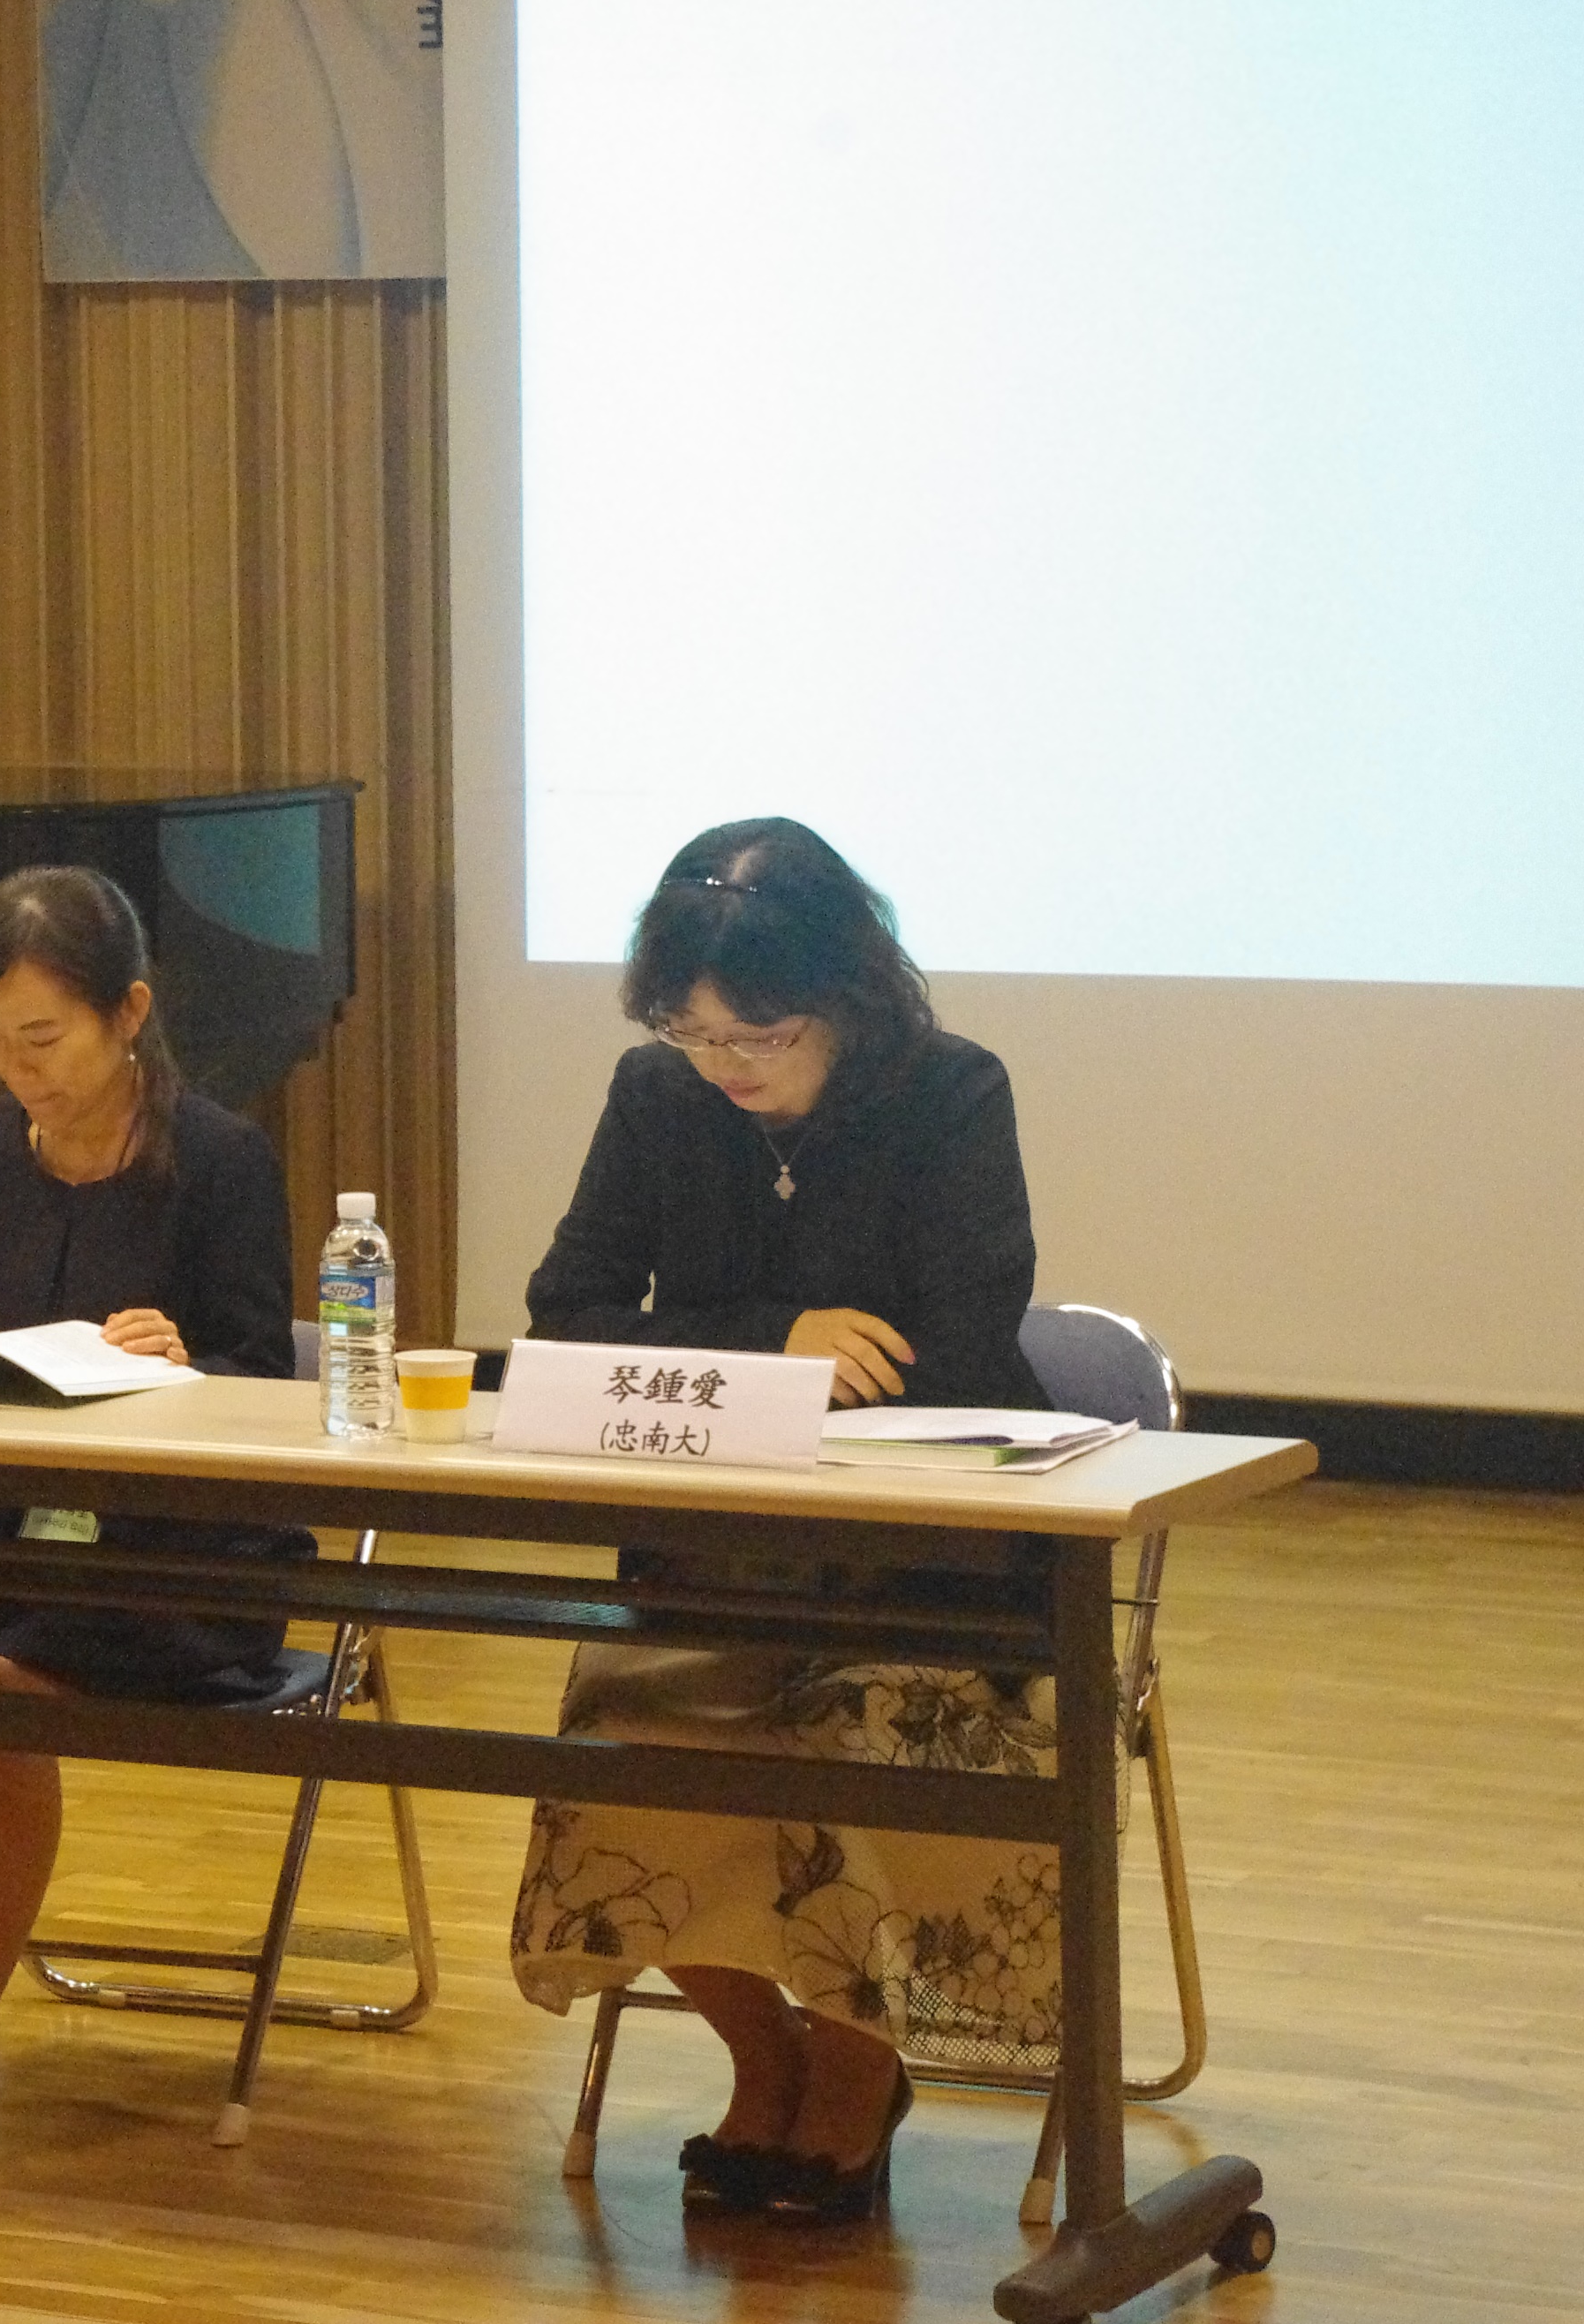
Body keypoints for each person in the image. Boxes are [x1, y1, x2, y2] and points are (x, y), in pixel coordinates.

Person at [509, 815, 1052, 2225]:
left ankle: (861, 2073)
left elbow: (969, 1345)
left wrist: (786, 1358)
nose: (727, 1065)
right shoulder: (657, 1099)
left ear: (846, 996)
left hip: (928, 1575)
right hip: (722, 1560)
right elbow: (568, 1314)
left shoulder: (949, 1093)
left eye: (760, 1034)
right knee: (625, 1742)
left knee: (868, 1739)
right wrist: (777, 1340)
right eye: (694, 1032)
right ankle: (763, 2057)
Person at [0, 865, 303, 2192]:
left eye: (46, 1039)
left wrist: (186, 1364)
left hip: (181, 1553)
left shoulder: (222, 1159)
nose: (22, 1074)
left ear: (128, 1013)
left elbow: (271, 1390)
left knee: (5, 1685)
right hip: (13, 1528)